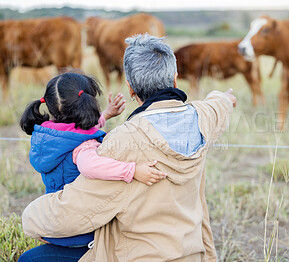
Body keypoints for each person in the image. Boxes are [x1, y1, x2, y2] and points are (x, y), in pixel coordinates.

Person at [21, 34, 236, 261]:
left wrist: (30, 218)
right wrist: (225, 98)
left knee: (30, 259)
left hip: (136, 256)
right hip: (193, 254)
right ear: (175, 80)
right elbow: (218, 104)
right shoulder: (203, 117)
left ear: (131, 88)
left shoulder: (121, 141)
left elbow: (73, 211)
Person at [19, 72, 165, 261]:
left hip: (54, 219)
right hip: (80, 229)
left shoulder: (47, 135)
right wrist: (133, 170)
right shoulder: (83, 147)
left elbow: (75, 129)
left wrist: (106, 115)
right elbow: (91, 166)